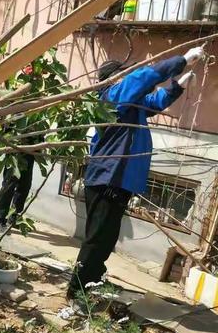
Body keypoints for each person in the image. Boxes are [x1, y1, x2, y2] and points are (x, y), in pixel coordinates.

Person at [66, 47, 204, 304]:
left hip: (119, 182)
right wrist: (181, 60)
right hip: (108, 179)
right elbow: (140, 80)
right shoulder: (111, 96)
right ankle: (77, 290)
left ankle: (93, 279)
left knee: (107, 238)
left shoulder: (130, 105)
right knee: (97, 239)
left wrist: (178, 84)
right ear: (113, 79)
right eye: (123, 75)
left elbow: (153, 102)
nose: (129, 80)